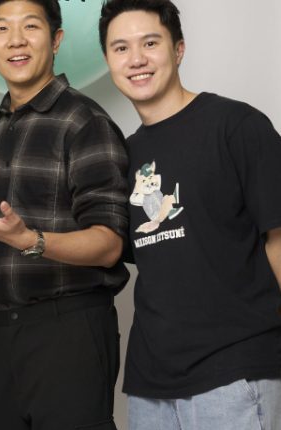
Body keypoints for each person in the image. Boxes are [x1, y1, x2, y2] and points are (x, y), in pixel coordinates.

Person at [0, 0, 129, 428]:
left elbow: (109, 244)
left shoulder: (85, 122)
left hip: (71, 328)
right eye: (2, 29)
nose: (16, 41)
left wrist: (30, 239)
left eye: (31, 26)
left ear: (56, 39)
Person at [98, 1, 281, 428]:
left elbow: (278, 238)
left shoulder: (237, 125)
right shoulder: (123, 155)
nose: (136, 59)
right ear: (108, 61)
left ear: (178, 50)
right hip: (150, 385)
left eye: (150, 43)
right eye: (121, 48)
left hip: (235, 371)